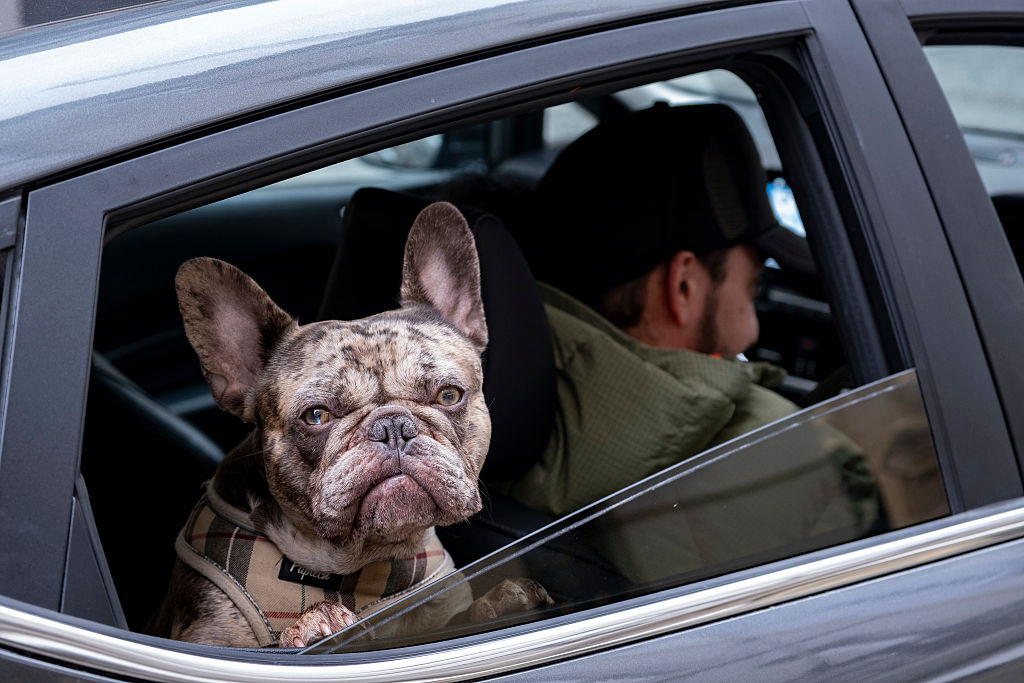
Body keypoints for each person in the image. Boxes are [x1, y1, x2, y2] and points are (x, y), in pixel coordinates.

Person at [501, 103, 878, 581]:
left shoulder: (479, 414)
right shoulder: (809, 464)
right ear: (683, 286)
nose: (754, 330)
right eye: (751, 287)